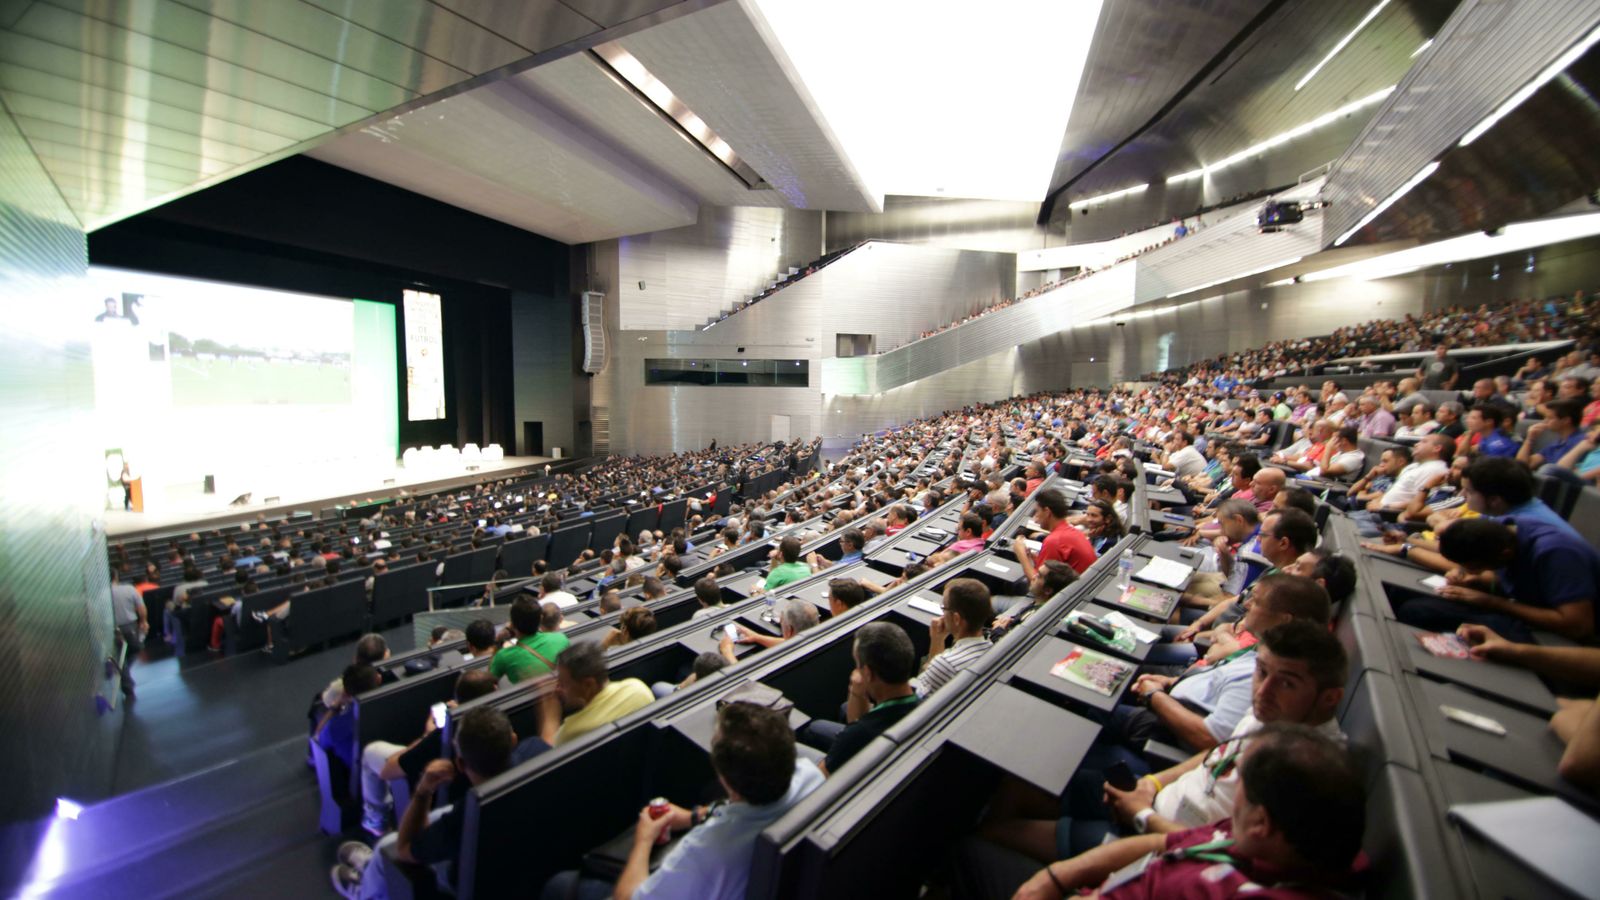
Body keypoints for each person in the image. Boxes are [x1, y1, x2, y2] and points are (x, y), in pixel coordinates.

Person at [976, 621, 1348, 868]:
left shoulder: (1310, 773)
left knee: (983, 841)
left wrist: (1143, 816)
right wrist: (1151, 785)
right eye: (1261, 672)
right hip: (1147, 800)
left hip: (1157, 845)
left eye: (1287, 683)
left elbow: (1232, 855)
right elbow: (1213, 754)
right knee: (1023, 780)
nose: (1263, 691)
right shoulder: (1273, 714)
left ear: (1330, 698)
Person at [1000, 724, 1366, 900]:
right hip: (1112, 863)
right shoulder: (1253, 836)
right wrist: (1055, 877)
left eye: (1240, 783)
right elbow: (1166, 842)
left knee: (981, 842)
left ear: (1261, 822)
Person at [540, 703, 826, 900]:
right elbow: (744, 813)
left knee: (560, 885)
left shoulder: (705, 851)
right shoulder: (811, 776)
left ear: (725, 779)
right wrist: (692, 816)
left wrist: (643, 839)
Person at [333, 707, 517, 899]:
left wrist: (423, 790)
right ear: (513, 740)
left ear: (460, 764)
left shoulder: (464, 820)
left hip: (469, 878)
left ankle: (364, 892)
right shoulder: (532, 751)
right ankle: (373, 868)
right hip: (514, 856)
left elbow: (404, 848)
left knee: (387, 848)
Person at [1398, 517, 1598, 641]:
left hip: (1563, 636)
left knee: (1418, 612)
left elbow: (1578, 626)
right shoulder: (1506, 530)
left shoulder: (1557, 554)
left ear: (1504, 554)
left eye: (1474, 567)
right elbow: (1521, 583)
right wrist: (1476, 580)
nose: (1470, 571)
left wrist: (1492, 602)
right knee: (1403, 596)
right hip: (1519, 606)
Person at [357, 669, 497, 835]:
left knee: (371, 752)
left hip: (436, 796)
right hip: (472, 796)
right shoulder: (501, 725)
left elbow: (388, 770)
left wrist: (427, 735)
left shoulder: (444, 736)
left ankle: (376, 821)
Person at [797, 622, 921, 775]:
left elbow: (821, 778)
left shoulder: (858, 735)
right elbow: (856, 722)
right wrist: (857, 693)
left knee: (809, 733)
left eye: (857, 665)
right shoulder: (921, 701)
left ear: (868, 673)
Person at [536, 641, 654, 747]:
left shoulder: (571, 731)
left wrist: (550, 718)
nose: (558, 689)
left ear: (588, 685)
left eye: (563, 683)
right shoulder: (638, 688)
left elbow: (549, 755)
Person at [912, 578, 994, 698]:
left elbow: (918, 695)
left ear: (956, 619)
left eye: (944, 608)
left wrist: (936, 640)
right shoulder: (992, 646)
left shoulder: (946, 664)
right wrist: (939, 639)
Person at [1015, 487, 1097, 578]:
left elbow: (1038, 583)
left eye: (1037, 511)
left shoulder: (1054, 541)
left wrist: (1021, 555)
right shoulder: (1072, 531)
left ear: (1047, 512)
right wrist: (1032, 557)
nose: (1035, 519)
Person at [490, 598, 571, 684]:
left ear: (512, 623)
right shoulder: (561, 639)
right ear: (541, 618)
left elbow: (488, 684)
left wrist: (497, 643)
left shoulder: (503, 656)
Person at [110, 568, 148, 700]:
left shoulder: (101, 594)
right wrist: (143, 621)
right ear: (116, 577)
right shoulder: (129, 589)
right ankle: (127, 685)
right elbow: (141, 607)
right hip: (130, 626)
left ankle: (124, 675)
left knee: (121, 657)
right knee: (134, 650)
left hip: (113, 628)